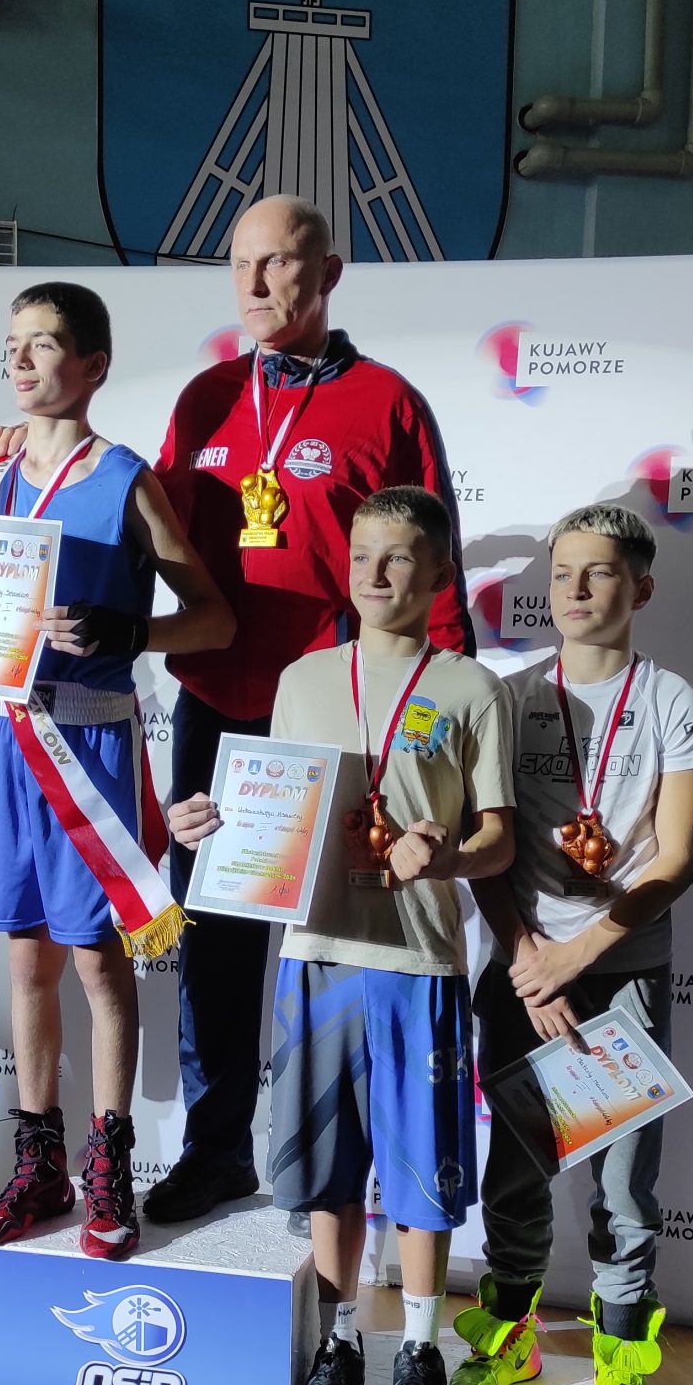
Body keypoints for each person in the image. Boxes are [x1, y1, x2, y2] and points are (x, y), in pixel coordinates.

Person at [0, 282, 232, 1262]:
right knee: (25, 958)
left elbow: (214, 620)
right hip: (1, 738)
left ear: (92, 365)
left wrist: (133, 631)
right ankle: (39, 1164)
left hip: (88, 741)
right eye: (12, 344)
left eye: (42, 344)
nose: (21, 359)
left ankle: (109, 1165)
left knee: (95, 959)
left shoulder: (123, 478)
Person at [147, 194, 474, 1231]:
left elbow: (438, 575)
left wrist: (442, 726)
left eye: (278, 263)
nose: (253, 284)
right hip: (214, 704)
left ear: (327, 273)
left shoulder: (385, 401)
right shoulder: (205, 398)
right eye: (239, 264)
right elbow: (158, 545)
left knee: (332, 935)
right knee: (213, 936)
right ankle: (215, 1149)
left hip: (338, 712)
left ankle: (333, 1168)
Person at [168, 487, 513, 1385]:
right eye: (362, 554)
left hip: (417, 958)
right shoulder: (304, 677)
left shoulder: (471, 687)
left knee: (421, 1171)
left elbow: (498, 840)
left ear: (438, 571)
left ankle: (420, 1349)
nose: (375, 573)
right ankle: (341, 1341)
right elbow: (272, 812)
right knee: (328, 1171)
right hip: (315, 953)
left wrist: (446, 853)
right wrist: (210, 825)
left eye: (399, 556)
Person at [458, 504, 693, 1385]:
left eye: (599, 571)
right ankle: (512, 1339)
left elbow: (676, 858)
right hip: (522, 972)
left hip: (622, 972)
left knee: (625, 1186)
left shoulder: (670, 699)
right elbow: (485, 850)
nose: (574, 588)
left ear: (640, 588)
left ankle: (620, 1358)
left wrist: (580, 952)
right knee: (515, 1173)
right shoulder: (509, 694)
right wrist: (530, 959)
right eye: (563, 570)